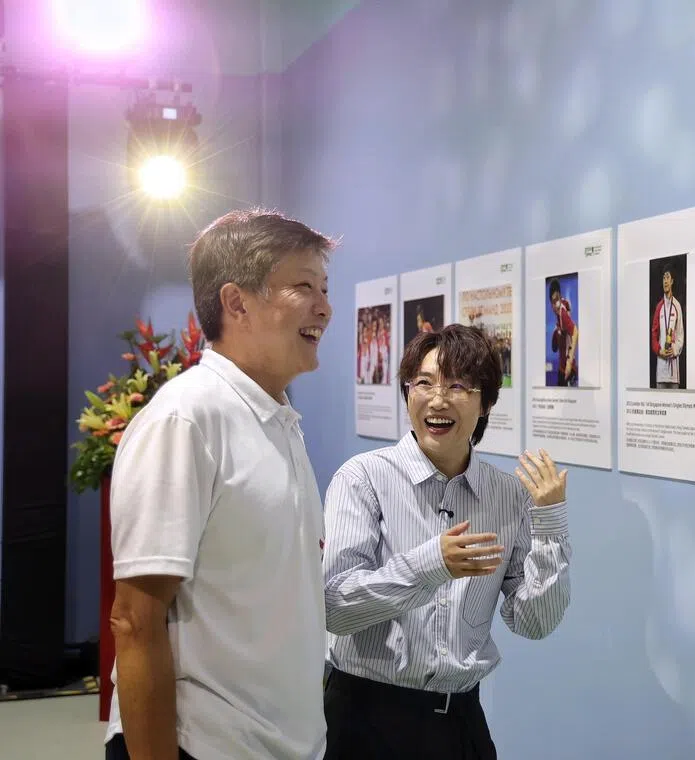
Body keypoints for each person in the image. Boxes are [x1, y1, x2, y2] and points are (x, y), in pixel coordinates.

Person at [103, 209, 335, 760]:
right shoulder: (186, 420)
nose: (325, 307)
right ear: (236, 303)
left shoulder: (279, 421)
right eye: (303, 287)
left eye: (325, 288)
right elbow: (135, 620)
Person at [322, 324, 572, 760]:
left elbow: (534, 622)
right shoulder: (363, 478)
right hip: (363, 717)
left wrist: (550, 523)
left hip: (459, 722)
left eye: (458, 386)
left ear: (486, 402)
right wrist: (432, 563)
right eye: (423, 383)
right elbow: (335, 607)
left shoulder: (508, 495)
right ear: (407, 394)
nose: (438, 400)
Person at [650, 263, 685, 389]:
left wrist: (674, 349)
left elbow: (680, 335)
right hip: (661, 372)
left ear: (672, 281)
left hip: (674, 373)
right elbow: (653, 335)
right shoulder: (659, 307)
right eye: (663, 278)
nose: (665, 281)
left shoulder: (677, 306)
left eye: (667, 277)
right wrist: (659, 350)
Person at [548, 278, 578, 386]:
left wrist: (569, 364)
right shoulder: (561, 310)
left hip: (568, 369)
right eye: (552, 301)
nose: (555, 304)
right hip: (562, 368)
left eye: (557, 299)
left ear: (560, 297)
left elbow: (575, 332)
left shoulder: (562, 313)